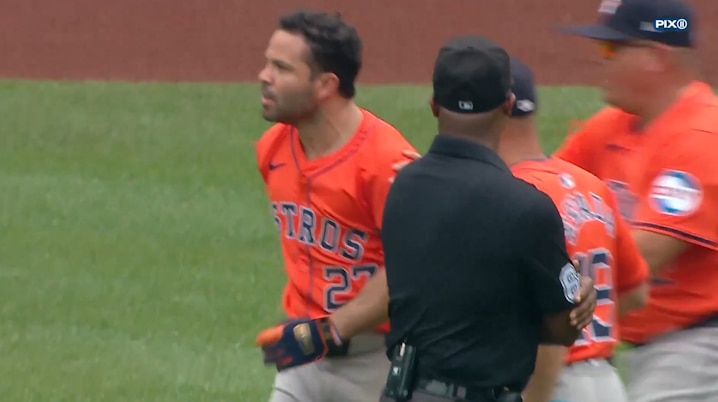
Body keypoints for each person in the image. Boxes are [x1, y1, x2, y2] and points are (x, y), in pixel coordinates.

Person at [378, 35, 597, 402]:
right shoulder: (528, 208)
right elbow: (563, 328)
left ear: (434, 106)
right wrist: (580, 303)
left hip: (405, 391)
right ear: (508, 106)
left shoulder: (402, 187)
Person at [251, 10, 419, 402]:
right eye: (267, 63)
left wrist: (329, 331)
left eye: (281, 68)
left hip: (376, 363)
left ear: (326, 84)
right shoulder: (272, 149)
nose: (264, 76)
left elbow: (410, 270)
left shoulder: (387, 164)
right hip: (302, 359)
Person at [555, 0, 718, 401]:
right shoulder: (616, 125)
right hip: (651, 345)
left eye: (610, 50)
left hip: (701, 348)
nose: (599, 61)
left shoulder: (701, 137)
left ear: (656, 57)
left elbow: (642, 261)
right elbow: (541, 188)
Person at [501, 57, 650, 402]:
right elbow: (634, 292)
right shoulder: (591, 186)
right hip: (605, 383)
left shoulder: (509, 195)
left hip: (546, 384)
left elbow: (545, 323)